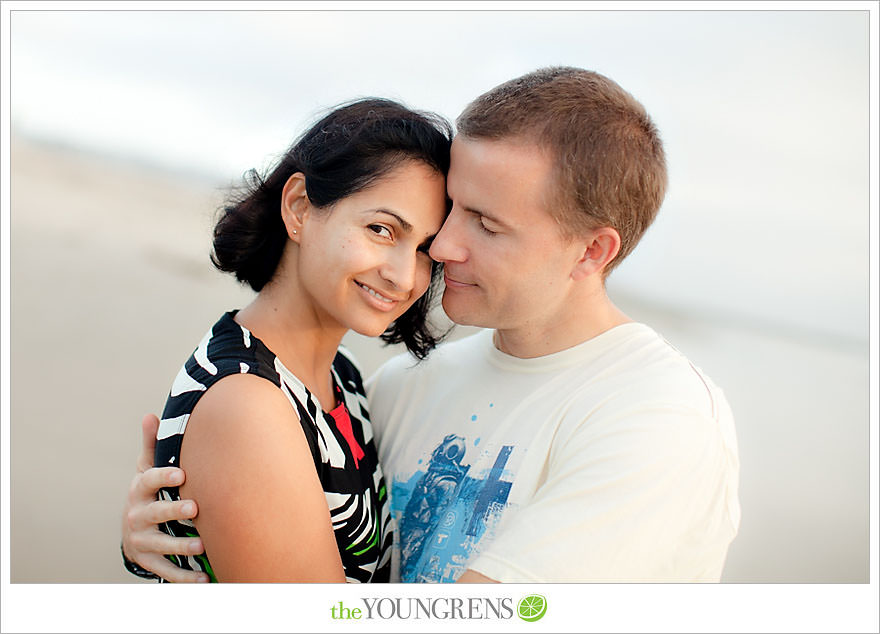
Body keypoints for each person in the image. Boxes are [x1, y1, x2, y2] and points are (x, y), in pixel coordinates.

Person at [122, 67, 740, 583]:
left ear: (591, 252)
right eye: (451, 212)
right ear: (299, 207)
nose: (441, 249)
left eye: (485, 223)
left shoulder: (658, 418)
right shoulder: (400, 386)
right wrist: (191, 536)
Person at [122, 97, 452, 582]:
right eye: (381, 229)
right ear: (298, 206)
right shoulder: (247, 402)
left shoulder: (340, 374)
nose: (405, 276)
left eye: (425, 248)